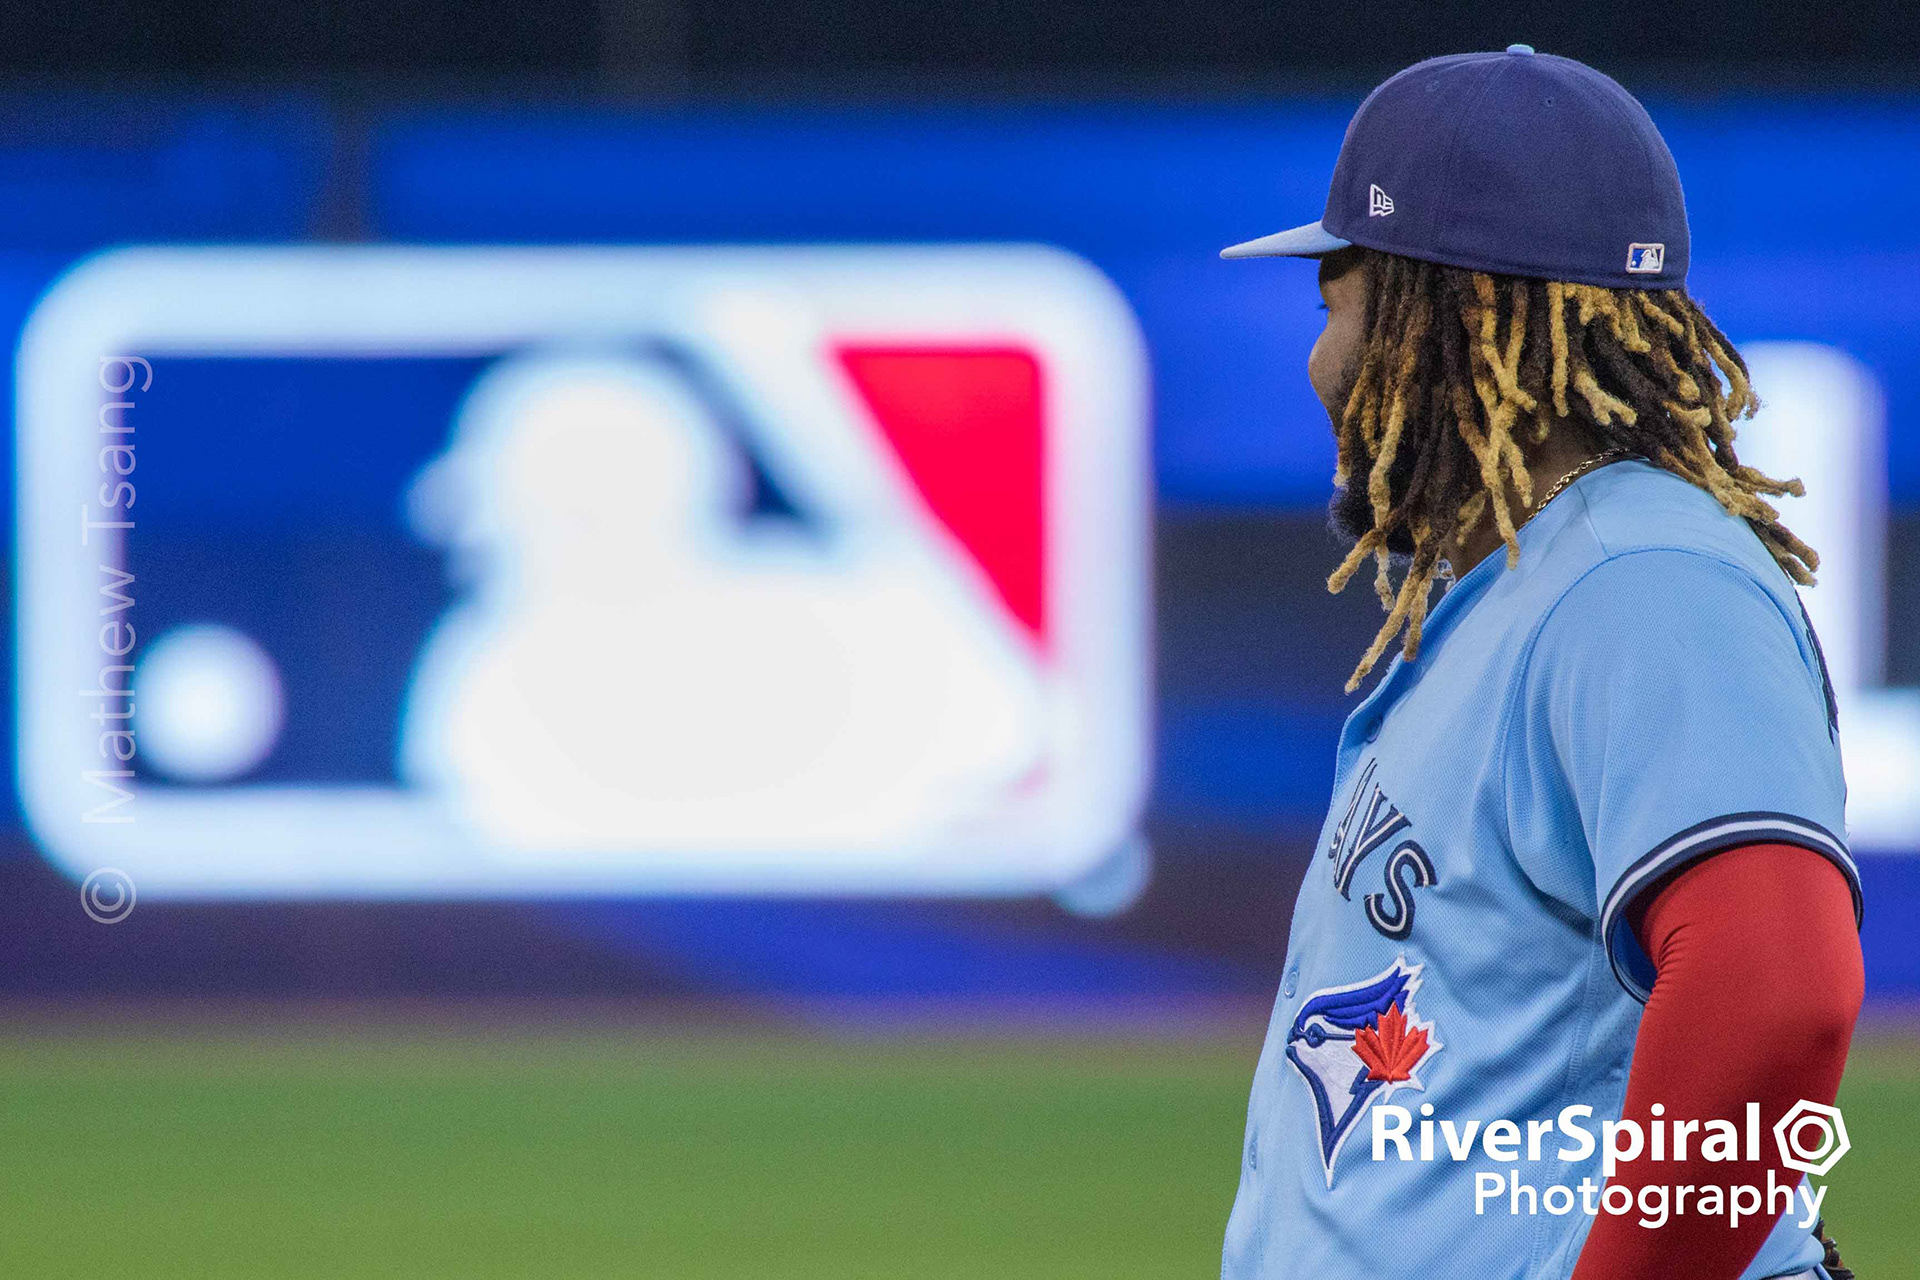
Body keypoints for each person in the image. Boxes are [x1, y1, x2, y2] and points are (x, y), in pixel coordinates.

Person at [1217, 47, 1862, 1279]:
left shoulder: (1643, 580)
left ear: (1438, 316)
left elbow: (1777, 991)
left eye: (1335, 307)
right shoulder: (1525, 586)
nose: (1319, 363)